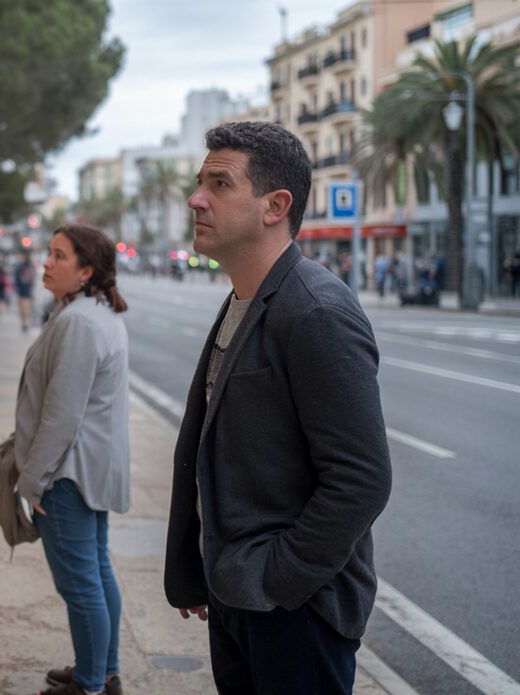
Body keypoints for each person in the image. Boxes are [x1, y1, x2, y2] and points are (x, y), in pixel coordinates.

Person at [165, 121, 392, 695]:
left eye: (219, 184)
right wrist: (208, 570)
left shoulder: (316, 311)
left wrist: (275, 581)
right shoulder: (244, 298)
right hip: (237, 593)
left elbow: (362, 480)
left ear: (275, 206)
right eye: (200, 182)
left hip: (295, 612)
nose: (196, 199)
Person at [15, 224, 131, 695]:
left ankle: (89, 684)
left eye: (59, 256)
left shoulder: (80, 322)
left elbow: (62, 416)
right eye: (49, 252)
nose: (46, 262)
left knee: (81, 586)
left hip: (68, 475)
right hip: (87, 469)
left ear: (86, 271)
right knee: (96, 574)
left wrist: (32, 479)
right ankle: (103, 672)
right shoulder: (90, 312)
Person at [14, 253, 37, 332]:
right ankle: (25, 322)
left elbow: (17, 279)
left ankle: (25, 322)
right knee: (25, 307)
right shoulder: (23, 267)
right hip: (25, 290)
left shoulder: (22, 267)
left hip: (25, 290)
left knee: (25, 307)